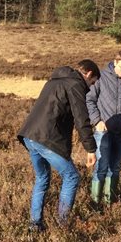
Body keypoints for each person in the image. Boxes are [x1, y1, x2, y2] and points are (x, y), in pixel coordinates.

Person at [17, 60, 100, 232]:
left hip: (29, 135)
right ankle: (62, 225)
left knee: (42, 179)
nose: (91, 87)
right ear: (89, 74)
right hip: (46, 138)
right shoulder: (75, 85)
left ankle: (35, 224)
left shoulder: (55, 80)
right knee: (72, 177)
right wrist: (91, 149)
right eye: (92, 83)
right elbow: (81, 119)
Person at [85, 50, 121, 209]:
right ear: (115, 63)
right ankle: (95, 205)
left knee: (115, 168)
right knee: (101, 167)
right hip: (103, 132)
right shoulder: (101, 77)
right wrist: (97, 121)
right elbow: (90, 100)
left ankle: (110, 203)